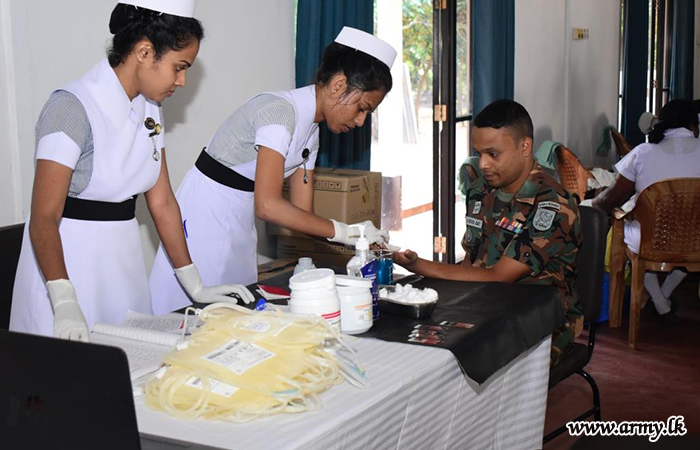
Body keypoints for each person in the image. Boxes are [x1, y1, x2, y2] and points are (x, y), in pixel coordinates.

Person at [10, 0, 253, 343]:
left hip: (122, 264)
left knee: (131, 361)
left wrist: (195, 284)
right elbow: (44, 216)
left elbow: (162, 202)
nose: (182, 81)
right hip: (67, 269)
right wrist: (63, 299)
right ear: (144, 52)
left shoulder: (150, 108)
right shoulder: (70, 108)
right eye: (178, 67)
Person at [149, 27, 396, 314]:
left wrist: (361, 241)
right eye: (362, 108)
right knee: (192, 314)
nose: (361, 121)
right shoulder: (280, 112)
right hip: (207, 212)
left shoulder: (312, 132)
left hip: (240, 215)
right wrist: (347, 232)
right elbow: (267, 205)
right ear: (339, 85)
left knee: (239, 309)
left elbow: (301, 214)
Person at [393, 100, 582, 365]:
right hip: (484, 305)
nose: (483, 164)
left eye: (493, 154)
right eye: (479, 153)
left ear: (525, 146)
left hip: (540, 320)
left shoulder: (552, 205)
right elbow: (472, 261)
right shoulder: (480, 191)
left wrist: (419, 265)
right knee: (418, 346)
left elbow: (499, 276)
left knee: (477, 364)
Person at [593, 99, 700, 324]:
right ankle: (661, 302)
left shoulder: (642, 153)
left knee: (632, 238)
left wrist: (593, 201)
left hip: (651, 240)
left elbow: (610, 200)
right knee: (688, 247)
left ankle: (659, 304)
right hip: (696, 241)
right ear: (693, 124)